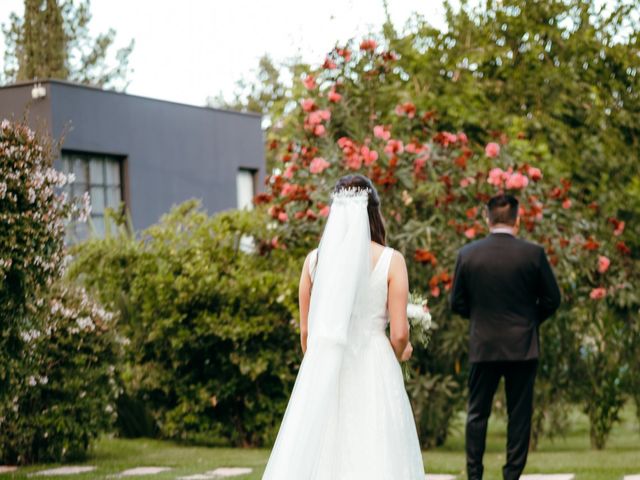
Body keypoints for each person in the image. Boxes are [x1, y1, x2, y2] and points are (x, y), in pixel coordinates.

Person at [262, 174, 425, 480]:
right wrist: (400, 353)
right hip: (374, 363)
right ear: (373, 212)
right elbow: (400, 334)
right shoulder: (391, 260)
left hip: (327, 362)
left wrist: (321, 362)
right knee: (375, 445)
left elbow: (307, 334)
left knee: (324, 445)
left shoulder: (314, 262)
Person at [450, 193, 561, 480]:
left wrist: (479, 319)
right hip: (522, 347)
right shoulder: (532, 253)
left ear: (487, 219)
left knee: (477, 415)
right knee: (519, 416)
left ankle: (475, 475)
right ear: (517, 219)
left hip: (483, 345)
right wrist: (530, 321)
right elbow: (553, 299)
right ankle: (511, 476)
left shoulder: (468, 254)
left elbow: (456, 302)